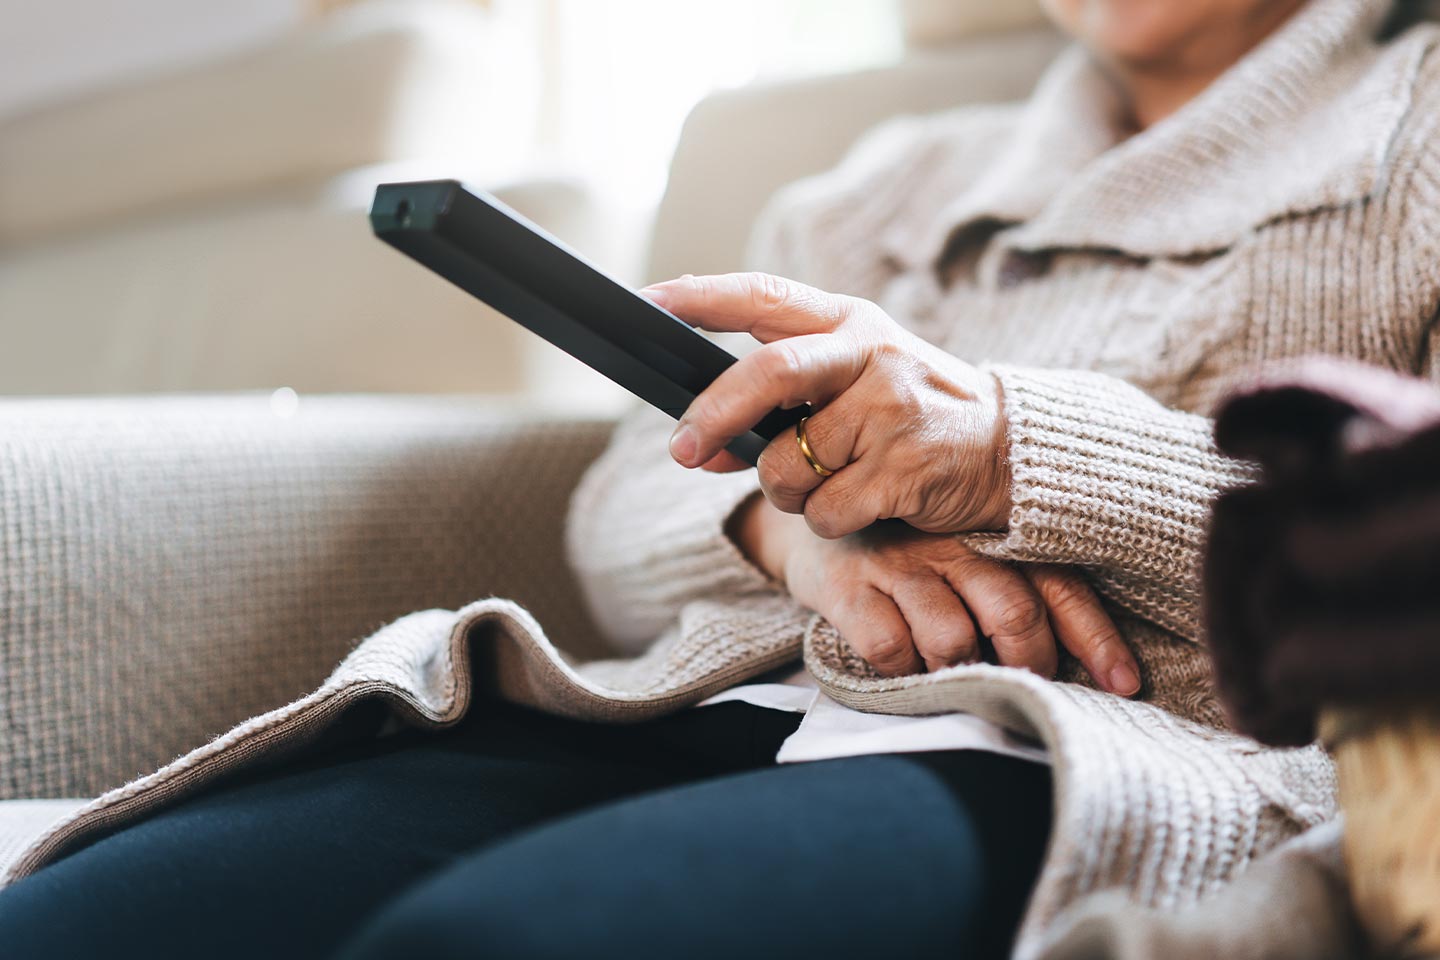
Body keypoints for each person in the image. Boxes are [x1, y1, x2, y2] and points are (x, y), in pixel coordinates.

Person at [1, 0, 1437, 957]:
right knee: (82, 925)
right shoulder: (886, 184)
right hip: (711, 700)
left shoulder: (1416, 130)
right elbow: (618, 498)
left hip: (1087, 756)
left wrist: (1010, 446)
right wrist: (789, 532)